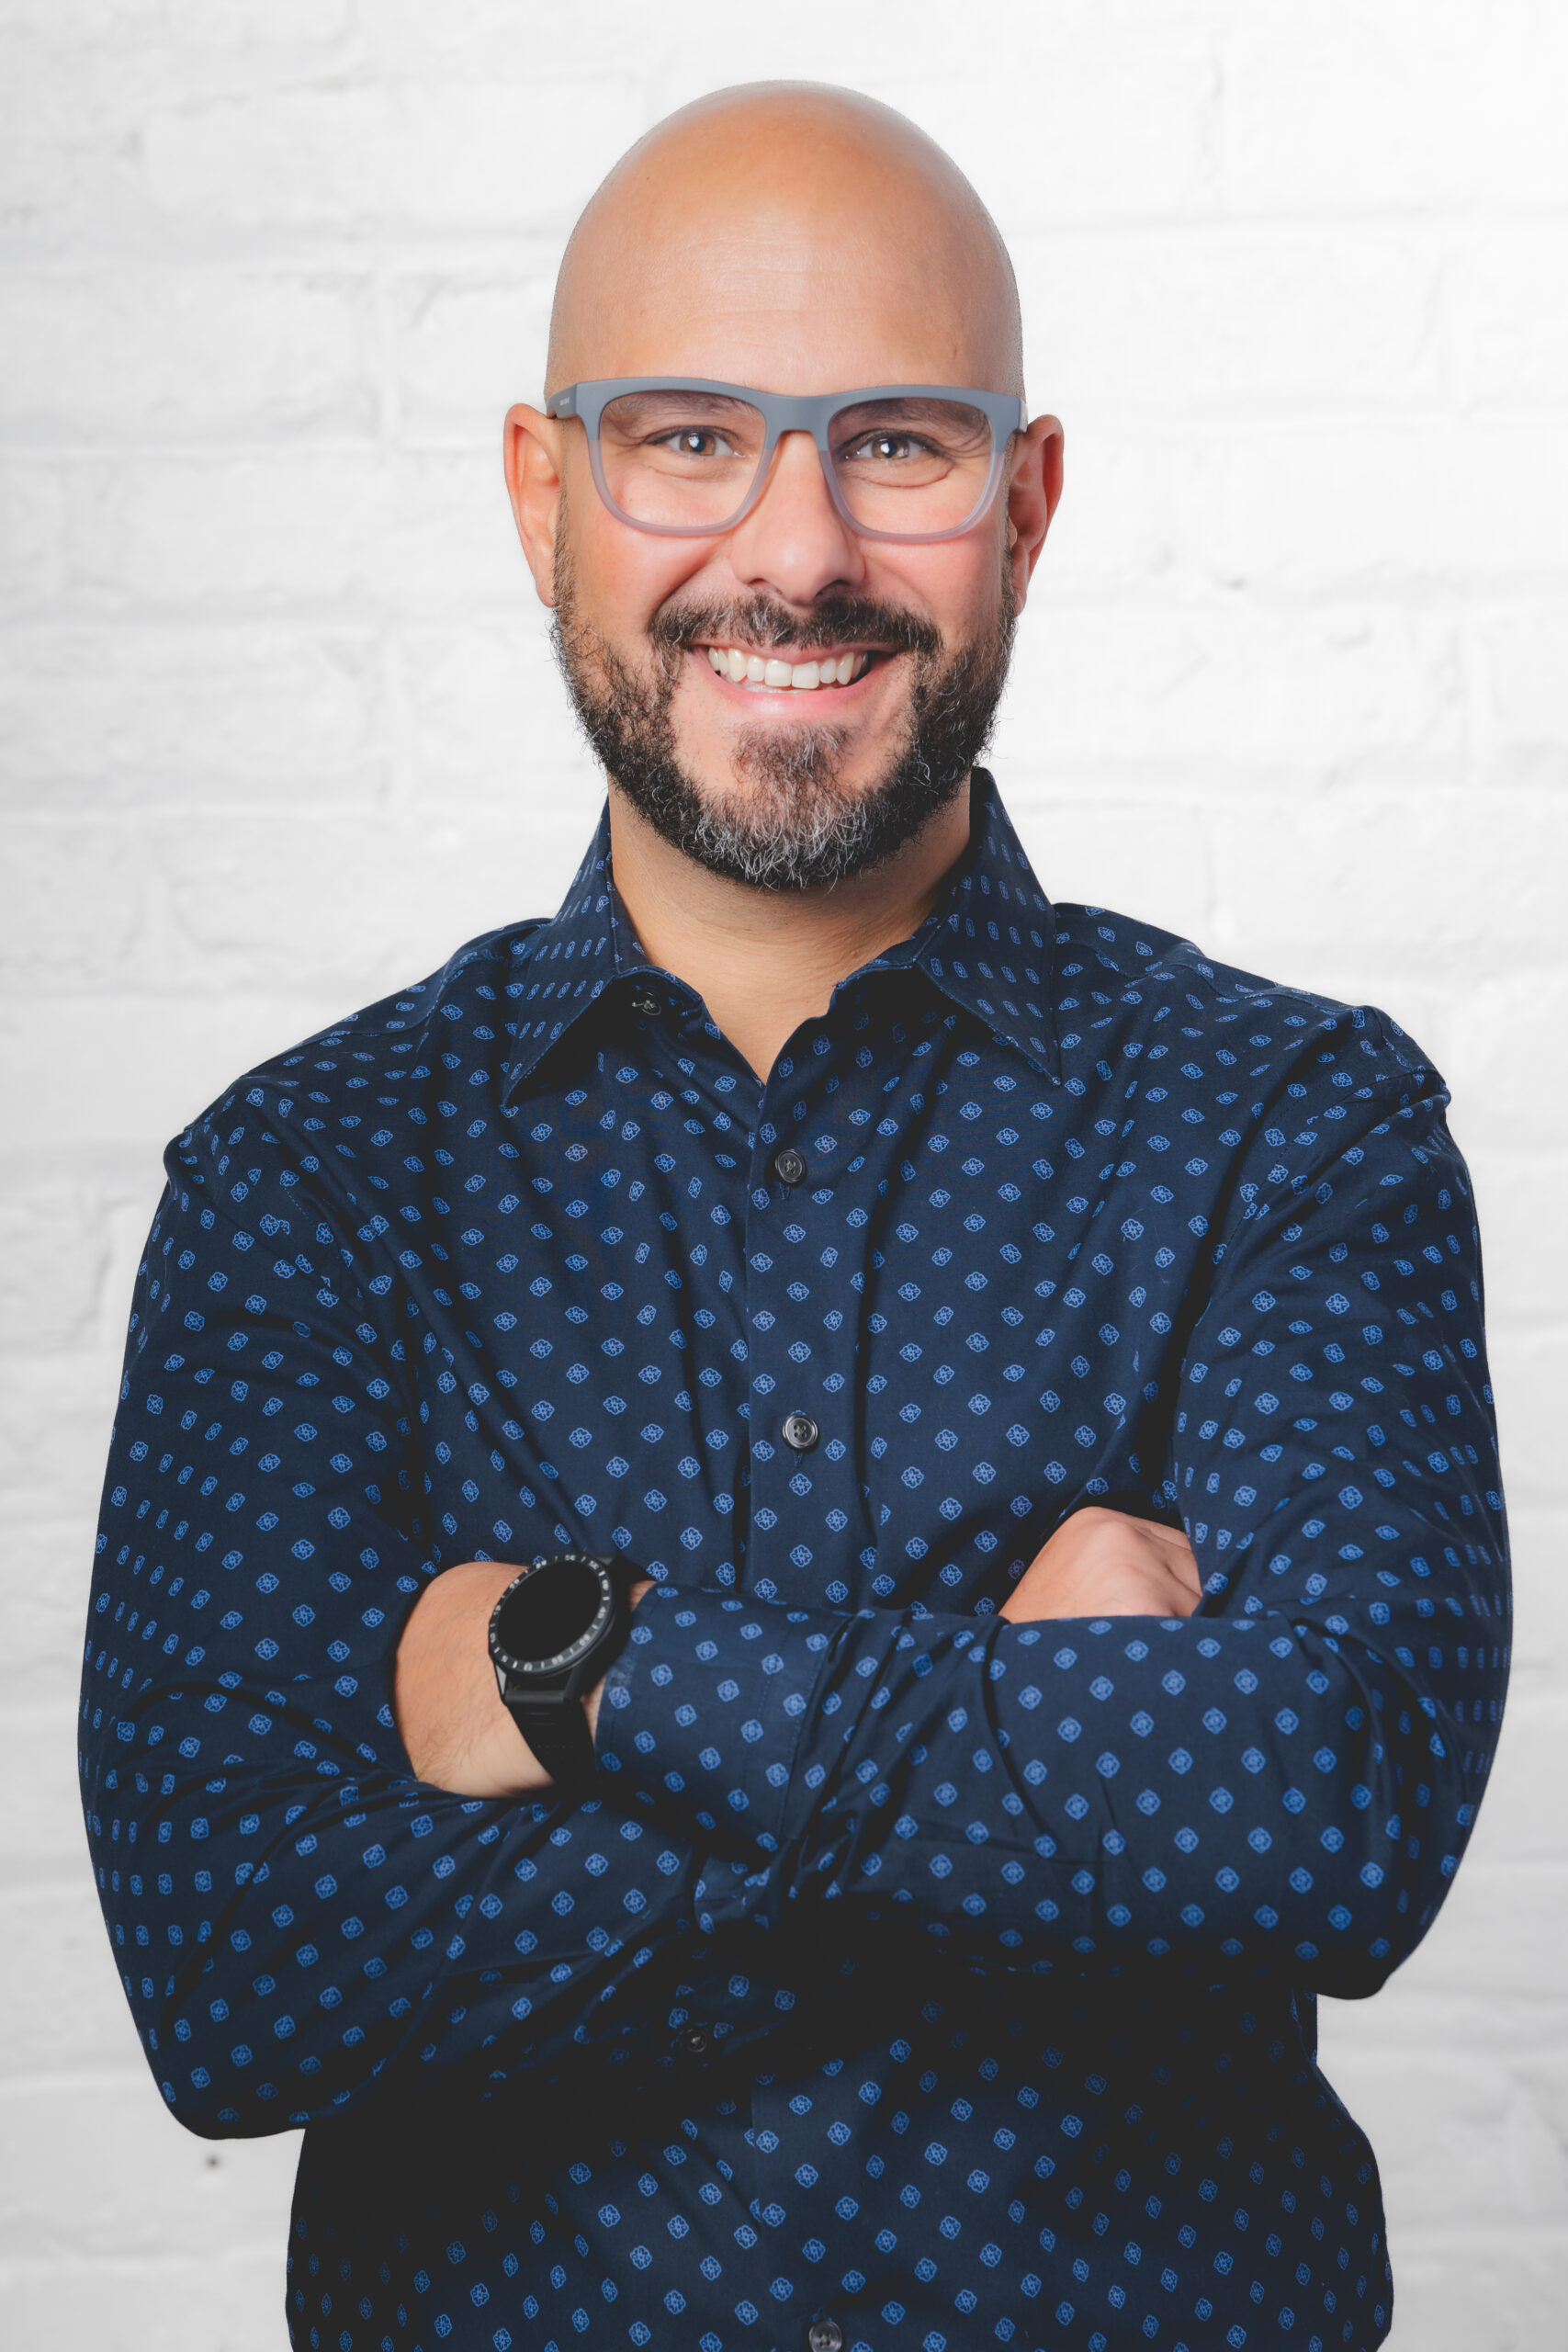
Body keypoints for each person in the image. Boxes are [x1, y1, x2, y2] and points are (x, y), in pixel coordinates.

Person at [80, 82, 1509, 2352]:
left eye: (899, 445)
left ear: (1024, 507)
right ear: (543, 494)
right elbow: (240, 1972)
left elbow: (1319, 1810)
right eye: (685, 437)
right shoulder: (308, 1189)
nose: (796, 548)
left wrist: (584, 1663)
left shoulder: (1288, 1128)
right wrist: (1031, 1735)